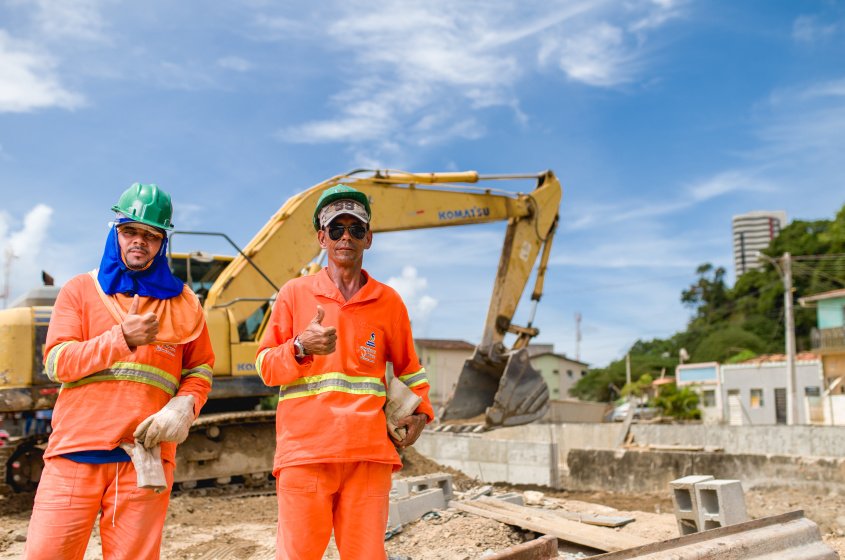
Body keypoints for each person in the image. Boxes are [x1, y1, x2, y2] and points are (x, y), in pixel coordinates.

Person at [25, 183, 214, 560]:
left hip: (143, 457)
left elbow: (201, 368)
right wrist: (119, 339)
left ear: (162, 243)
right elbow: (56, 363)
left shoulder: (184, 304)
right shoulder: (81, 290)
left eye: (151, 234)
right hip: (74, 453)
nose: (139, 241)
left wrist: (184, 407)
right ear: (115, 231)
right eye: (130, 230)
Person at [256, 184, 434, 560]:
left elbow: (410, 371)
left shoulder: (389, 302)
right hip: (306, 455)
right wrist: (301, 347)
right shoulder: (293, 294)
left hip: (368, 458)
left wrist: (422, 414)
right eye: (336, 229)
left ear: (368, 238)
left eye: (355, 229)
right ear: (322, 238)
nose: (345, 237)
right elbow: (266, 367)